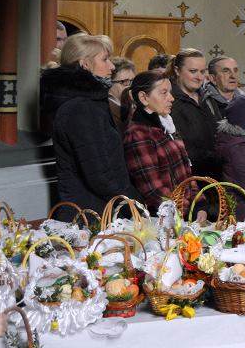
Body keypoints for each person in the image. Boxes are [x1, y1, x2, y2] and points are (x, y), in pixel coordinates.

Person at [39, 33, 140, 215]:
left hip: (102, 208)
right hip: (91, 214)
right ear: (85, 64)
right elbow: (98, 174)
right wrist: (134, 203)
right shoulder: (80, 108)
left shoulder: (90, 102)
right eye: (105, 59)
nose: (111, 66)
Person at [123, 71, 193, 213]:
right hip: (163, 218)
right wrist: (188, 209)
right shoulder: (138, 134)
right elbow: (153, 190)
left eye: (170, 92)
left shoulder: (167, 125)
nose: (171, 98)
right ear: (143, 98)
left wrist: (199, 204)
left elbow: (186, 173)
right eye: (164, 93)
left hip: (185, 212)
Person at [168, 48, 222, 179]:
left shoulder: (208, 98)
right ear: (177, 70)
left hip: (217, 174)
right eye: (193, 71)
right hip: (191, 178)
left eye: (202, 72)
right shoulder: (170, 102)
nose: (199, 77)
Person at [204, 55, 244, 122]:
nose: (233, 76)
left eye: (235, 70)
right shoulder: (202, 104)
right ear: (213, 78)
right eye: (226, 71)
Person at [108, 57, 136, 133]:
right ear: (110, 83)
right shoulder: (106, 110)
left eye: (132, 81)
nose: (130, 87)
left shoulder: (136, 104)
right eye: (124, 82)